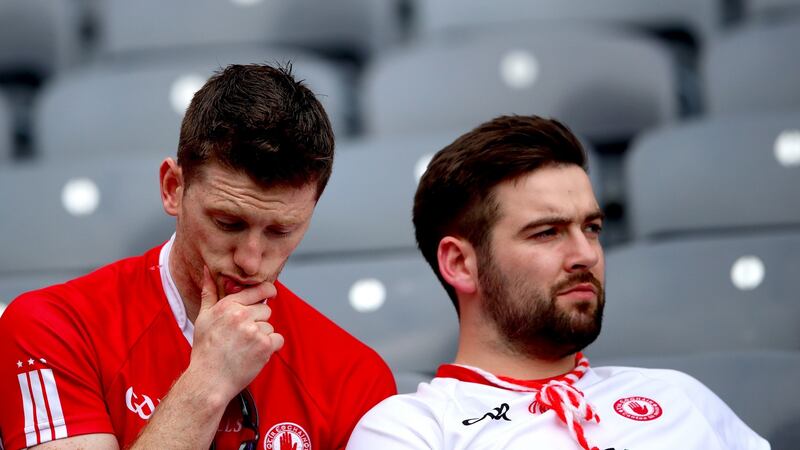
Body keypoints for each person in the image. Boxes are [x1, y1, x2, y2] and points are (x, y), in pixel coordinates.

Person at [0, 63, 396, 450]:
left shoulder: (355, 376)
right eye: (228, 222)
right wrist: (206, 382)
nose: (251, 260)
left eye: (280, 231)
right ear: (173, 187)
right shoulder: (52, 329)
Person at [346, 115, 769, 450]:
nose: (586, 255)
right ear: (460, 263)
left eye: (592, 228)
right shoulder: (412, 432)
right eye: (547, 232)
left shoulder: (679, 396)